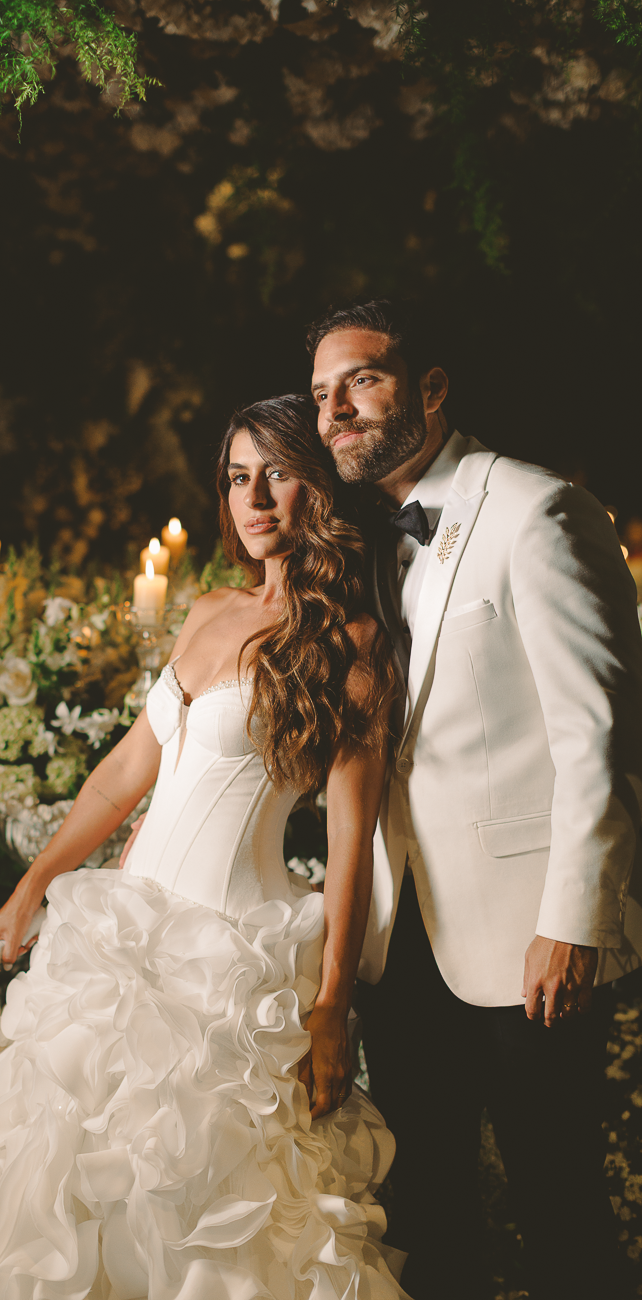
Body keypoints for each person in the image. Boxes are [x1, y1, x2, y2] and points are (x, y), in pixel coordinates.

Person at [0, 395, 412, 1300]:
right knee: (46, 1163)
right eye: (239, 477)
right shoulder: (207, 610)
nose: (256, 498)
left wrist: (329, 1009)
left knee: (194, 1194)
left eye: (279, 474)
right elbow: (122, 777)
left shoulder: (352, 646)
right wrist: (34, 885)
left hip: (225, 962)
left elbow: (352, 842)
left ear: (317, 489)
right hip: (120, 933)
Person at [307, 298, 642, 1300]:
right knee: (429, 1208)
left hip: (530, 939)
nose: (338, 411)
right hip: (404, 932)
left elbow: (604, 735)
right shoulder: (359, 542)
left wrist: (573, 921)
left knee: (559, 1205)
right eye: (323, 396)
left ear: (432, 389)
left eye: (361, 379)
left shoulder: (538, 510)